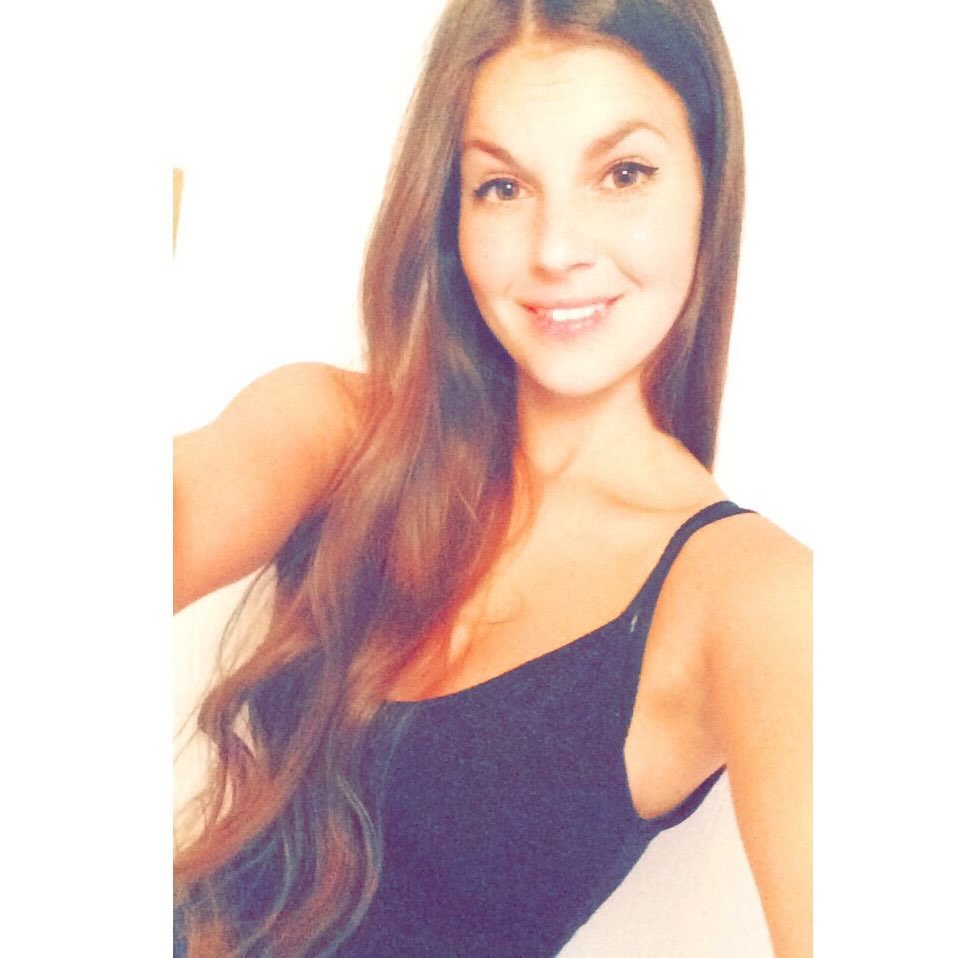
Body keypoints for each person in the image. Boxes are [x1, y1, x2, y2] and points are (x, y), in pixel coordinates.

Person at [173, 0, 812, 956]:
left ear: (708, 187)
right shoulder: (331, 431)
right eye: (503, 187)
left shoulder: (750, 598)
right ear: (452, 210)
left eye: (623, 174)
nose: (556, 250)